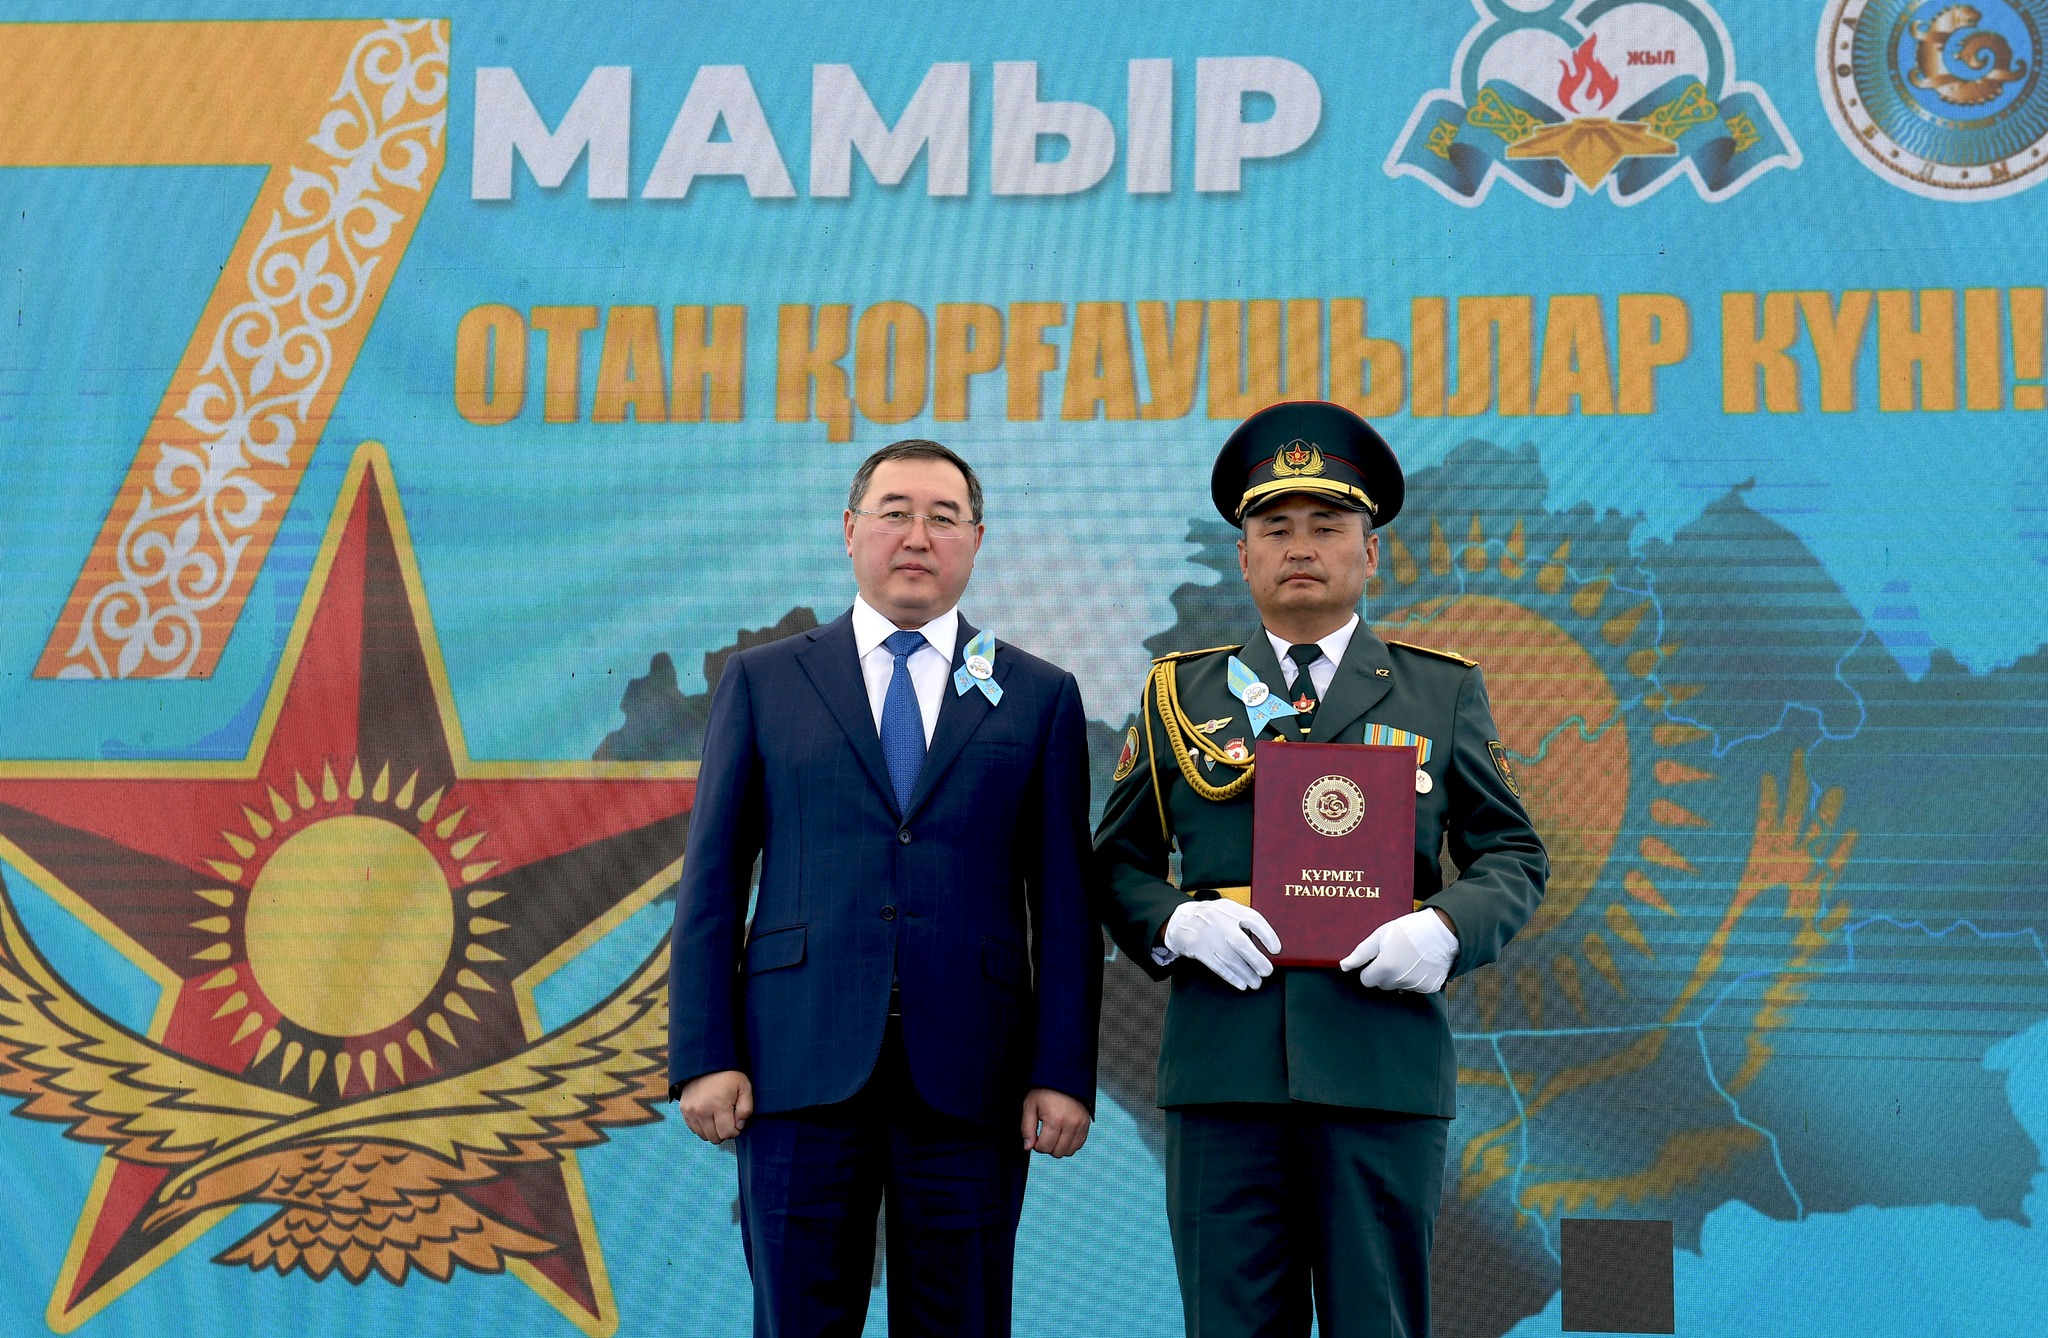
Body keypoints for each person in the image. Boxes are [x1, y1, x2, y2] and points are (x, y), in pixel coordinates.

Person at [1093, 400, 1547, 1337]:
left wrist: (1445, 929)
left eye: (1327, 525)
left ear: (1370, 552)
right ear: (1243, 557)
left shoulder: (1440, 690)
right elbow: (1117, 862)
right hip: (1224, 1077)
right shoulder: (1179, 694)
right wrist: (1176, 922)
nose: (1300, 546)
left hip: (1379, 1069)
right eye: (1275, 528)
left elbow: (1513, 853)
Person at [668, 438, 1098, 1337]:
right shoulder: (763, 681)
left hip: (972, 1078)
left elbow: (1065, 907)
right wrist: (704, 1053)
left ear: (976, 540)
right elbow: (711, 880)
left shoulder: (1038, 694)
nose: (917, 536)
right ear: (850, 530)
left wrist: (1061, 1073)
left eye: (944, 518)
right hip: (795, 1066)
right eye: (895, 512)